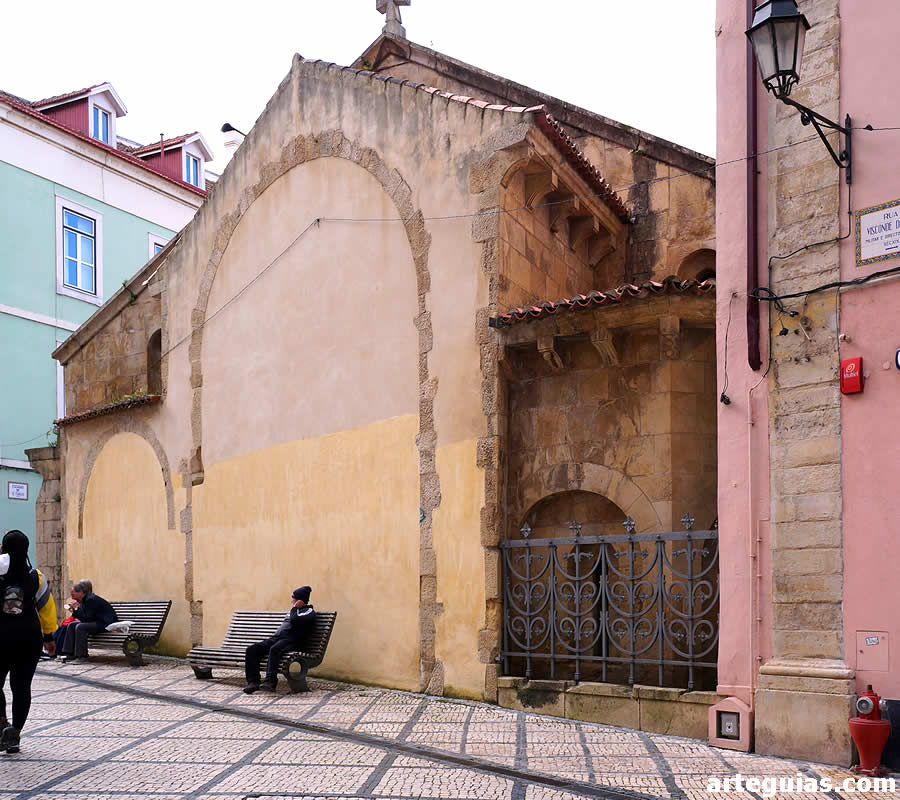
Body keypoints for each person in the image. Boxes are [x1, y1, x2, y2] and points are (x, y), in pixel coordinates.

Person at [0, 530, 58, 754]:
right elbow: (46, 607)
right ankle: (15, 733)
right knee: (21, 687)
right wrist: (49, 636)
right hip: (29, 638)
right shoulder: (36, 576)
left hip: (1, 637)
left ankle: (2, 723)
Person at [244, 586, 316, 694]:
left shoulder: (308, 611)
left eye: (294, 599)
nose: (292, 601)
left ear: (300, 600)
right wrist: (295, 609)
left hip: (293, 640)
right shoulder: (294, 611)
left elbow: (295, 620)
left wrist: (296, 608)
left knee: (275, 649)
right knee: (252, 650)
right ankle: (253, 682)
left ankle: (270, 682)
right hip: (278, 638)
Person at [59, 579, 117, 663]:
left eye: (73, 594)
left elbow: (87, 618)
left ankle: (82, 656)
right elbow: (84, 617)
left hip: (106, 623)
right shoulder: (83, 600)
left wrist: (75, 609)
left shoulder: (91, 600)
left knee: (80, 627)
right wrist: (75, 609)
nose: (72, 597)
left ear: (81, 592)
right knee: (71, 625)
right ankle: (69, 654)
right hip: (96, 622)